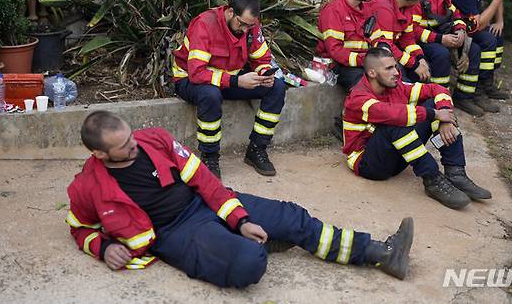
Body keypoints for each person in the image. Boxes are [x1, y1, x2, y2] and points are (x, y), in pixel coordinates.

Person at [65, 111, 416, 288]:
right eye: (124, 146)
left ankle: (380, 253)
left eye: (130, 137)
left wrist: (241, 220)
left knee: (292, 218)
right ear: (100, 153)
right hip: (176, 234)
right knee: (250, 263)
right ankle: (244, 243)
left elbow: (204, 180)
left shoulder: (153, 139)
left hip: (204, 204)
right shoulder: (86, 188)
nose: (134, 146)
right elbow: (80, 229)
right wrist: (102, 248)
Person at [342, 48, 492, 210]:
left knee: (434, 103)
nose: (396, 72)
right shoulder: (358, 98)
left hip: (397, 158)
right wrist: (434, 114)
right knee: (396, 121)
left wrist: (445, 120)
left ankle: (455, 172)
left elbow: (438, 90)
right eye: (389, 68)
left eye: (395, 66)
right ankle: (432, 180)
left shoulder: (395, 86)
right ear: (372, 73)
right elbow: (392, 114)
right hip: (369, 164)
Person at [172, 0, 285, 177]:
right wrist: (236, 81)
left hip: (229, 80)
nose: (246, 30)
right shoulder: (204, 24)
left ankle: (257, 149)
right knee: (210, 94)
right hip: (190, 80)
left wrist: (265, 73)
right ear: (230, 12)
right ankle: (209, 156)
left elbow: (262, 58)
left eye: (251, 26)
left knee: (277, 87)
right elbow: (196, 73)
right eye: (242, 24)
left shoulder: (250, 25)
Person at [446, 0, 512, 112]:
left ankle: (486, 85)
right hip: (451, 29)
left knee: (496, 34)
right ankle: (471, 94)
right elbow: (477, 26)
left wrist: (499, 21)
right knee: (486, 41)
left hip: (468, 26)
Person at [410, 0, 484, 117]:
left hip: (442, 36)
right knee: (440, 53)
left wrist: (461, 30)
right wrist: (441, 39)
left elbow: (456, 15)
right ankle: (438, 100)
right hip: (422, 41)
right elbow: (412, 30)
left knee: (474, 50)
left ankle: (464, 98)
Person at [317, 0, 377, 91]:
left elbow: (378, 37)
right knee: (364, 85)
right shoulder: (333, 10)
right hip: (337, 66)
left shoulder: (368, 9)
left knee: (392, 75)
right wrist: (366, 61)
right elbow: (335, 51)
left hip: (363, 62)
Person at [366, 0, 430, 84]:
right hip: (377, 54)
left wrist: (420, 58)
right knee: (400, 79)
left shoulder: (407, 8)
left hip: (392, 51)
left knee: (423, 73)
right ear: (412, 0)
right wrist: (414, 64)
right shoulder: (383, 8)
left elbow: (408, 39)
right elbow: (386, 46)